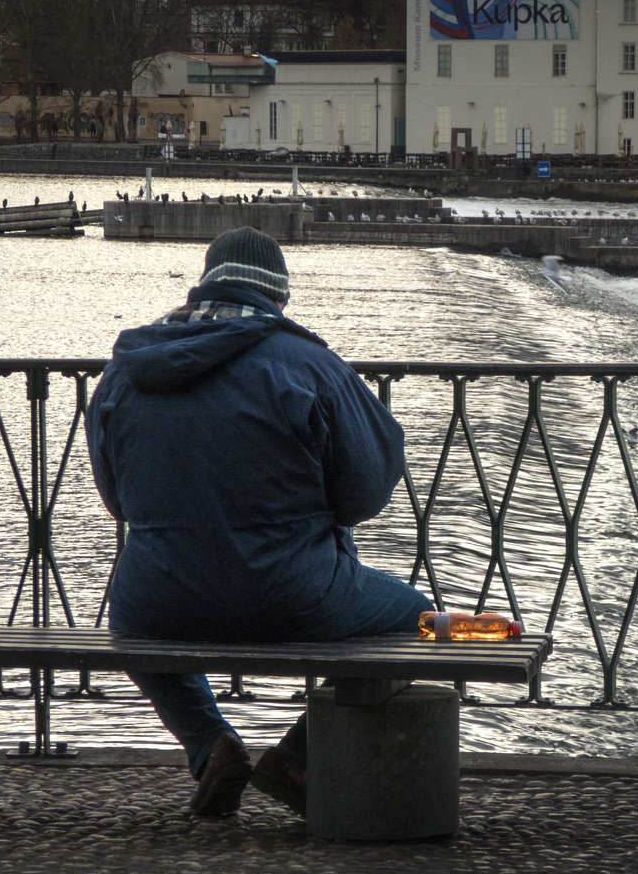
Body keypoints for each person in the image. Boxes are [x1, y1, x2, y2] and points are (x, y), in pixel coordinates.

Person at [86, 227, 432, 817]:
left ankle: (211, 744)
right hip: (292, 596)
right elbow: (365, 493)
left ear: (202, 288)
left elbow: (116, 500)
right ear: (279, 299)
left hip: (156, 599)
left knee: (135, 622)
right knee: (416, 621)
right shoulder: (309, 365)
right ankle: (298, 757)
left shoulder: (126, 371)